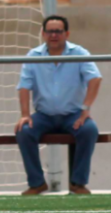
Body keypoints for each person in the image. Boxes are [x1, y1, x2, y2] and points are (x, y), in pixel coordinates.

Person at [15, 15, 102, 196]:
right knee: (24, 131)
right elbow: (24, 86)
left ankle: (78, 184)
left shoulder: (79, 53)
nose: (53, 35)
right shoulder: (33, 56)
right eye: (49, 31)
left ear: (66, 33)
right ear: (43, 33)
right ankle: (37, 183)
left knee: (89, 130)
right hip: (43, 116)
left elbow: (95, 78)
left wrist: (85, 110)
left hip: (74, 115)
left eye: (58, 31)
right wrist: (25, 114)